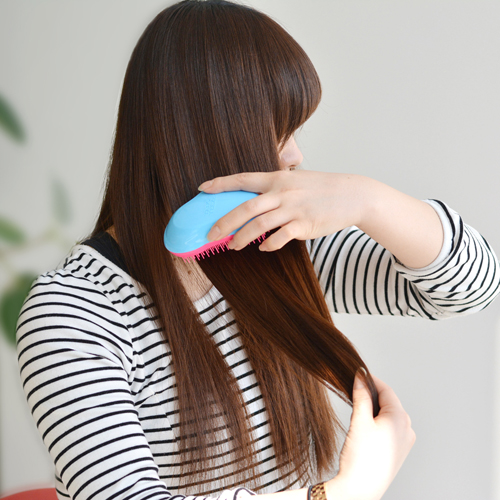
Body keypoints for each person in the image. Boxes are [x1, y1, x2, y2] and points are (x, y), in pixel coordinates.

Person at [16, 2, 499, 500]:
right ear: (207, 137)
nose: (294, 156)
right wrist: (345, 492)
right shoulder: (73, 313)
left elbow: (472, 287)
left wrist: (366, 200)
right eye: (278, 131)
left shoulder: (271, 243)